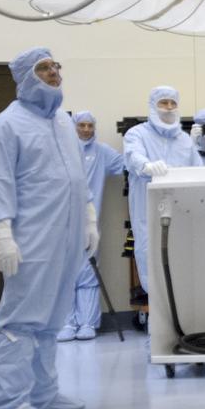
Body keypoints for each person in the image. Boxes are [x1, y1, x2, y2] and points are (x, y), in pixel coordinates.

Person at [0, 48, 97, 409]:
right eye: (43, 68)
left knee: (51, 319)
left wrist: (89, 219)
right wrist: (2, 234)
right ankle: (4, 405)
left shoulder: (64, 122)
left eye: (55, 66)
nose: (53, 72)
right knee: (21, 320)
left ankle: (42, 393)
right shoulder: (5, 125)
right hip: (31, 236)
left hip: (67, 235)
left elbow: (78, 175)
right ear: (25, 77)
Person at [123, 86, 201, 292]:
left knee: (182, 257)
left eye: (173, 103)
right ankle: (155, 301)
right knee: (149, 254)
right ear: (152, 106)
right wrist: (146, 166)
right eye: (163, 103)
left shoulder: (184, 140)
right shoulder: (137, 134)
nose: (169, 107)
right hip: (147, 209)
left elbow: (199, 170)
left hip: (181, 210)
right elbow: (133, 155)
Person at [58, 112, 126, 341]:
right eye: (81, 125)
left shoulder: (102, 152)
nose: (86, 129)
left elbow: (126, 165)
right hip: (61, 223)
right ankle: (66, 323)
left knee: (88, 272)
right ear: (73, 127)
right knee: (63, 274)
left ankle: (87, 323)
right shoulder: (61, 150)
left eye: (90, 125)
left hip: (90, 224)